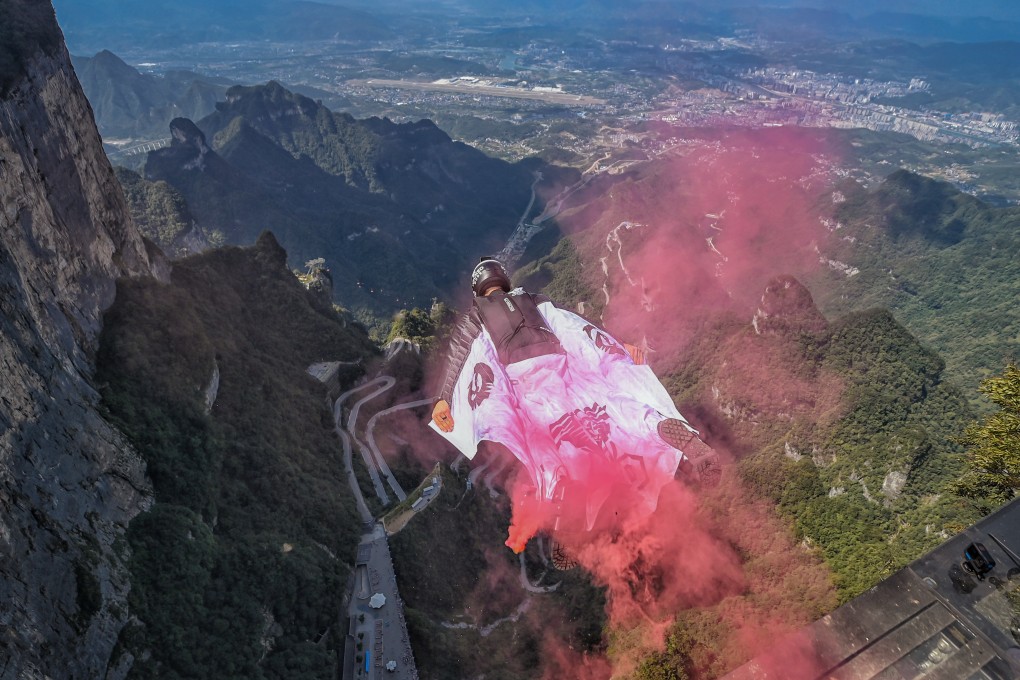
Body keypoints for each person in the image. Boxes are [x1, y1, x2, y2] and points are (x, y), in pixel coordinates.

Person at [429, 257, 718, 552]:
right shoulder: (533, 300)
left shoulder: (476, 316)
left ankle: (567, 533)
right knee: (615, 410)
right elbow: (576, 327)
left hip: (529, 383)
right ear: (502, 278)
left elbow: (459, 356)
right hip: (565, 369)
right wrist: (617, 348)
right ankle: (669, 431)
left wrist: (445, 398)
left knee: (545, 447)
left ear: (478, 288)